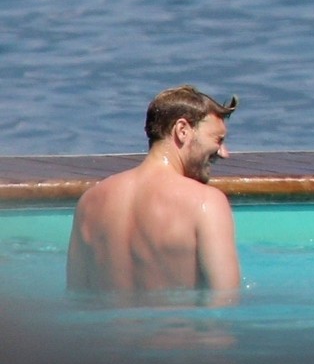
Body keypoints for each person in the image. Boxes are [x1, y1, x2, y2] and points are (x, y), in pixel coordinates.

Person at [67, 85, 242, 297]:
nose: (224, 153)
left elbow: (76, 295)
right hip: (175, 330)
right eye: (218, 140)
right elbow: (225, 302)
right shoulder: (206, 203)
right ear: (182, 130)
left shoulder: (89, 201)